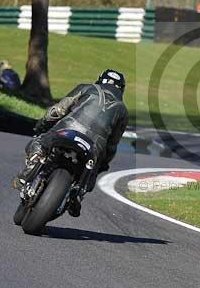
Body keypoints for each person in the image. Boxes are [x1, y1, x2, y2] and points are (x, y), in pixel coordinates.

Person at [14, 69, 129, 217]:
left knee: (39, 141)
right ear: (122, 89)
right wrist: (104, 162)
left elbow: (56, 111)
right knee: (93, 170)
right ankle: (78, 193)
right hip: (93, 147)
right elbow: (112, 144)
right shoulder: (123, 111)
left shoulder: (86, 88)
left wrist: (41, 125)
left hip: (67, 130)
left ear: (100, 80)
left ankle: (31, 165)